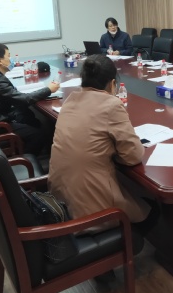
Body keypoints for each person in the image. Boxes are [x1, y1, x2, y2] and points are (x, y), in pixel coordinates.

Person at [48, 54, 157, 236]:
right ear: (113, 84)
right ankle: (126, 246)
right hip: (90, 209)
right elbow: (133, 157)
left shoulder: (69, 100)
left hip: (60, 198)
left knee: (129, 190)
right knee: (153, 210)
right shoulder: (111, 104)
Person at [0, 43, 60, 155]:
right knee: (38, 134)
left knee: (28, 114)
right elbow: (23, 99)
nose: (11, 59)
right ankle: (25, 159)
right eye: (8, 56)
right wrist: (48, 90)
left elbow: (16, 98)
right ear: (0, 61)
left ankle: (41, 148)